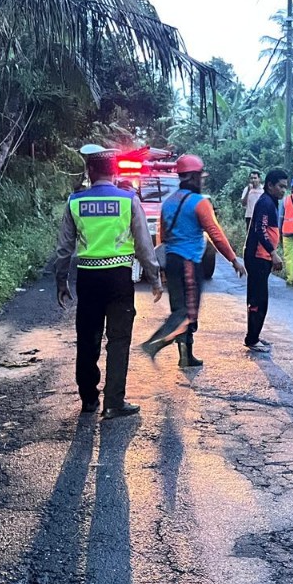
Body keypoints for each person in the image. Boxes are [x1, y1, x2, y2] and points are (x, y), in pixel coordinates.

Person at [55, 144, 163, 420]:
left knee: (87, 338)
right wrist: (154, 278)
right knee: (119, 339)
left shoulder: (75, 202)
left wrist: (61, 281)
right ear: (114, 172)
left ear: (90, 171)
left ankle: (89, 400)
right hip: (119, 279)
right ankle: (114, 402)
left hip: (88, 279)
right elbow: (143, 245)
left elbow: (64, 248)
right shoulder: (128, 200)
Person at [141, 154, 245, 367]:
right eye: (200, 177)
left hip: (172, 262)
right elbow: (215, 234)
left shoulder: (168, 203)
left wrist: (162, 268)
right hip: (188, 262)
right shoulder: (199, 203)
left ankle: (186, 356)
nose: (201, 181)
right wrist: (233, 259)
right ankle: (154, 343)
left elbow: (163, 236)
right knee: (187, 312)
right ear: (193, 177)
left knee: (180, 307)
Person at [243, 168, 287, 352]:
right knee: (258, 299)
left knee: (260, 298)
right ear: (270, 185)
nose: (283, 190)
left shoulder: (271, 202)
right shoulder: (265, 202)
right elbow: (260, 230)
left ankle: (254, 335)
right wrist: (273, 253)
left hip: (263, 257)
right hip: (257, 257)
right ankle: (252, 339)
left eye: (285, 187)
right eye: (280, 186)